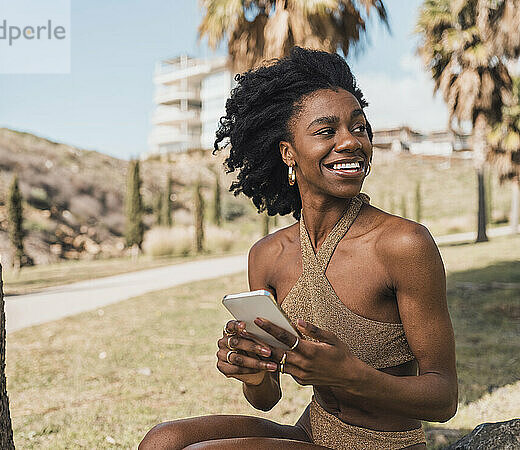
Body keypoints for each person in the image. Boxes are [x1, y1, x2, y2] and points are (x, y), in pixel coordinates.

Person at [139, 47, 457, 449]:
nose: (350, 142)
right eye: (326, 131)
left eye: (358, 128)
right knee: (162, 440)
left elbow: (444, 397)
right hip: (312, 433)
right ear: (288, 153)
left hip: (385, 443)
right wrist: (252, 372)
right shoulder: (267, 255)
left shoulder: (402, 244)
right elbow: (267, 399)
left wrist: (350, 374)